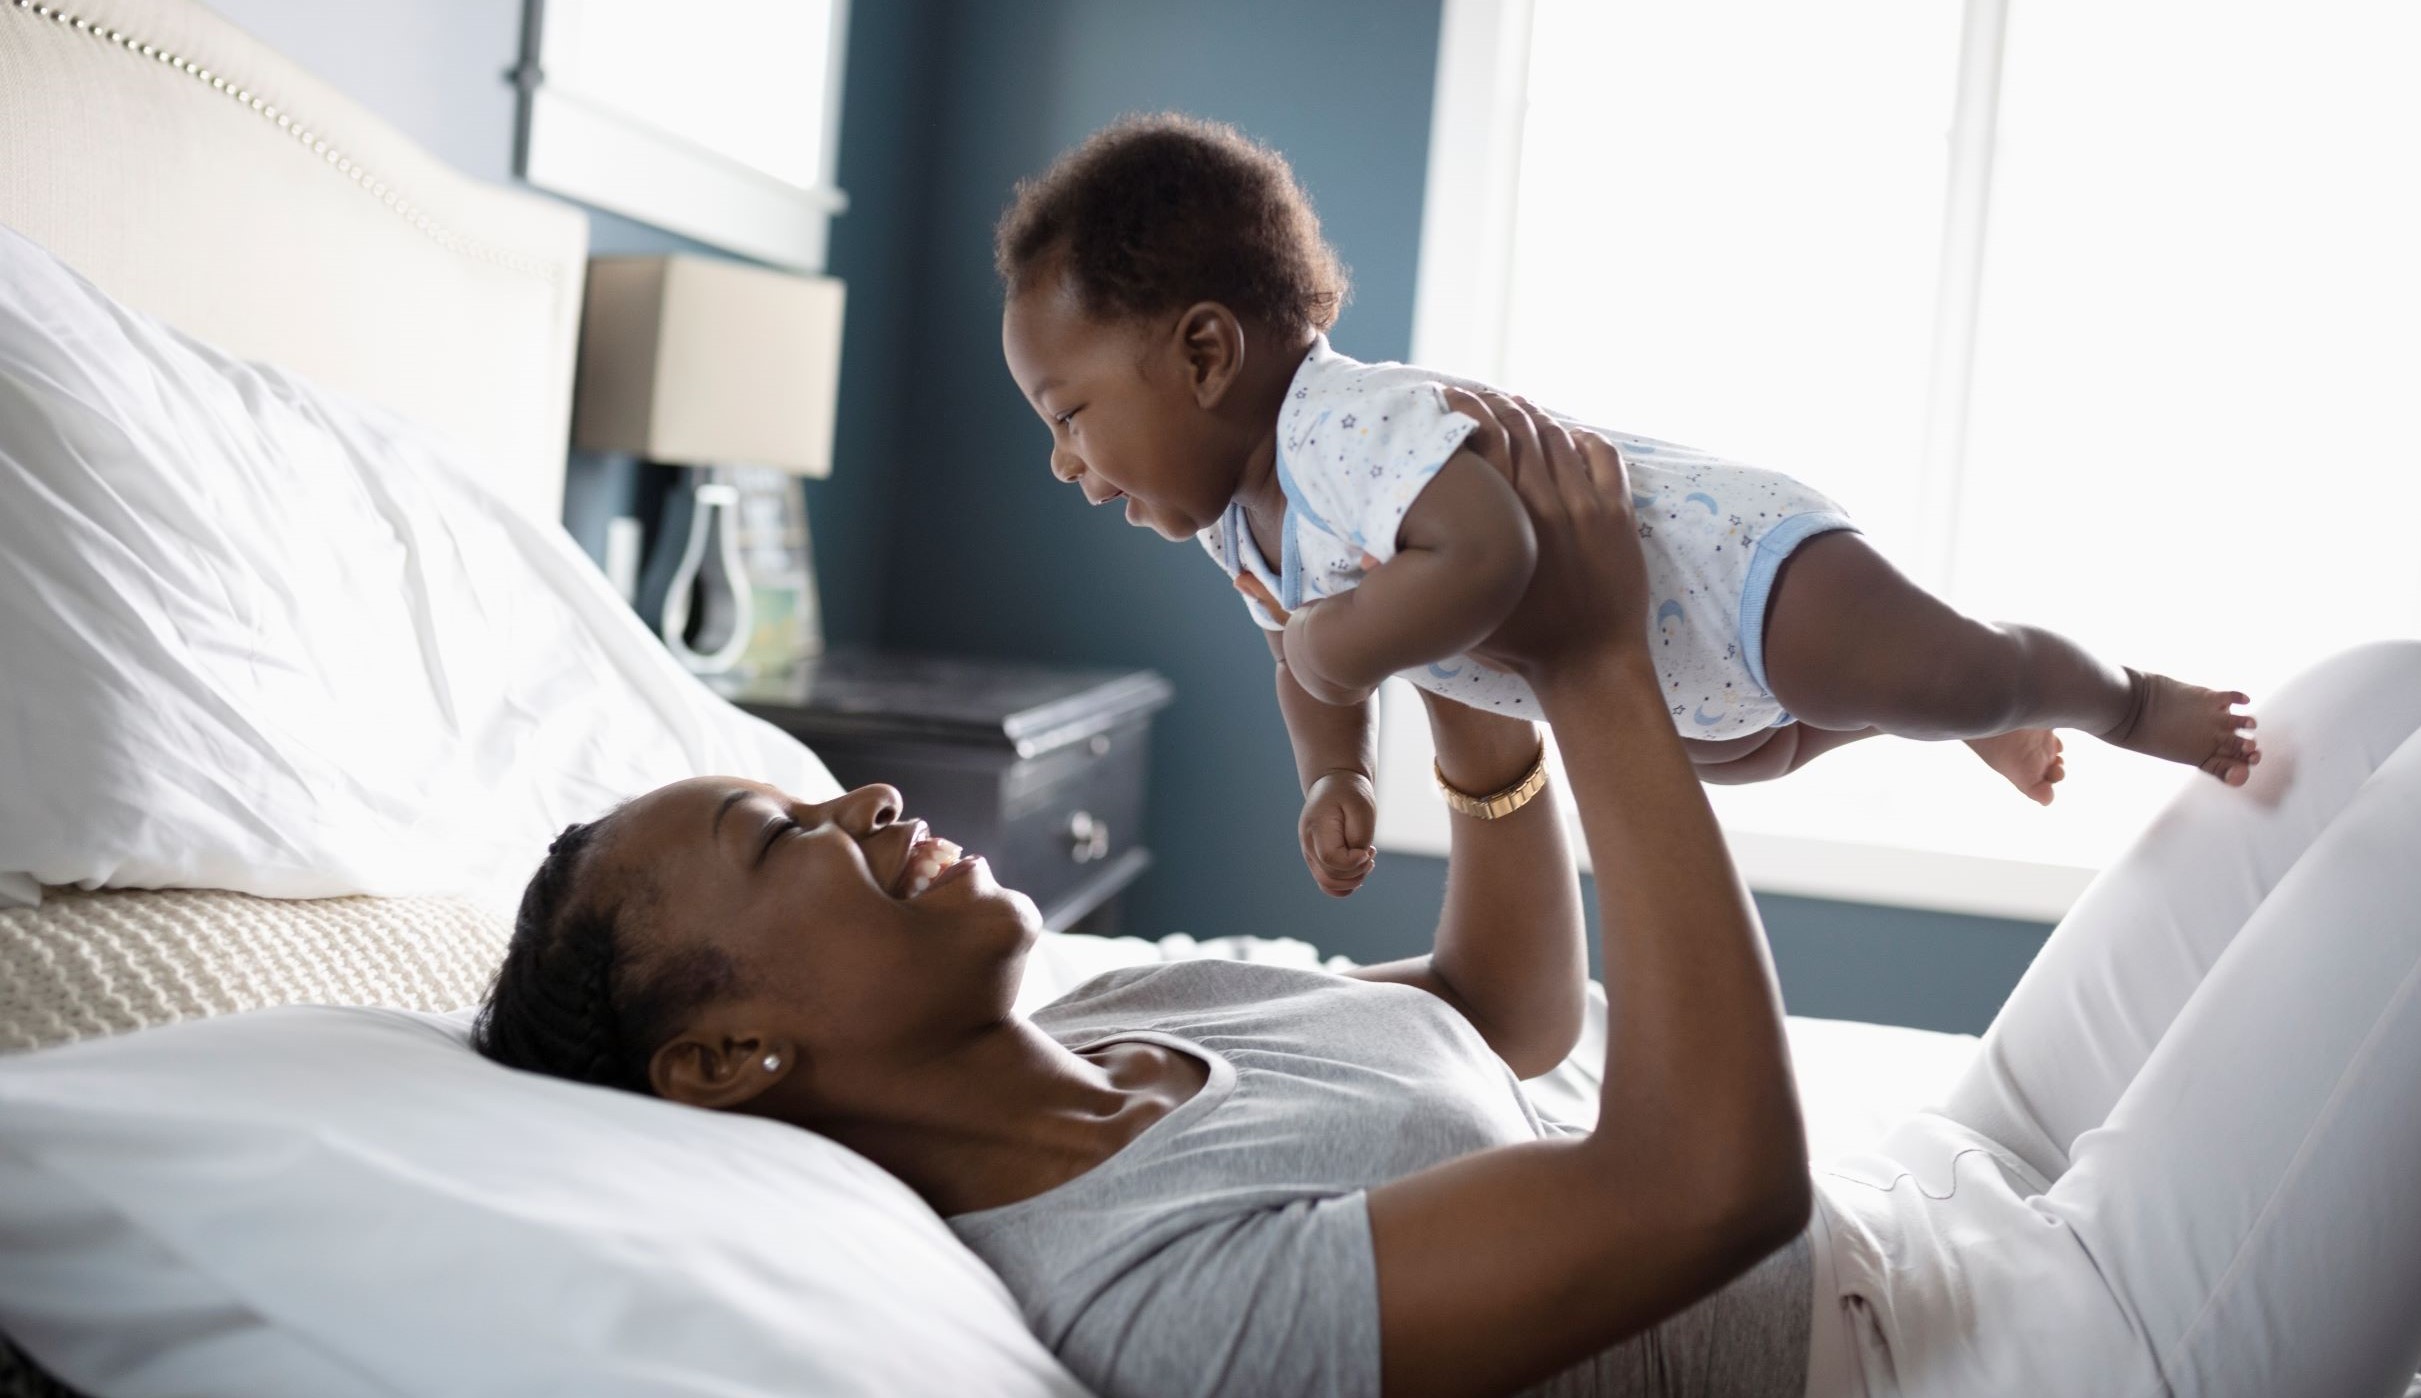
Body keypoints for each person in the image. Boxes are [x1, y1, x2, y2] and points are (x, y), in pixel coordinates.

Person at [474, 400, 2421, 1398]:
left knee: (2358, 708)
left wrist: (1475, 711)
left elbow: (1502, 1017)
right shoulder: (1143, 1307)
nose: (863, 797)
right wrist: (1592, 668)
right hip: (1993, 1365)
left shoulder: (1104, 1022)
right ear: (728, 1056)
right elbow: (1699, 1183)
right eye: (780, 837)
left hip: (1927, 1189)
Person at [992, 112, 2259, 902]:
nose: (1061, 459)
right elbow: (1304, 667)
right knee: (1770, 749)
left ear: (1206, 356)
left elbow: (1487, 551)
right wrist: (1336, 775)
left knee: (1961, 674)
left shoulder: (1342, 426)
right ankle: (1933, 711)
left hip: (1729, 570)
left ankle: (2123, 700)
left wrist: (1337, 644)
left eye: (1069, 412)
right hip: (1674, 681)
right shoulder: (1240, 521)